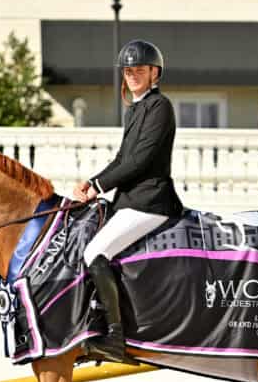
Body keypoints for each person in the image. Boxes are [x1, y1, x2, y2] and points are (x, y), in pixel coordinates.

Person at [73, 39, 184, 362]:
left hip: (150, 202)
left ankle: (115, 339)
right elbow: (122, 158)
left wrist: (99, 184)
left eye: (140, 70)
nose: (133, 74)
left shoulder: (160, 107)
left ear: (154, 73)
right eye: (129, 70)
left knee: (94, 252)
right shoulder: (135, 110)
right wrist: (91, 183)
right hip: (130, 200)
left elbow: (140, 161)